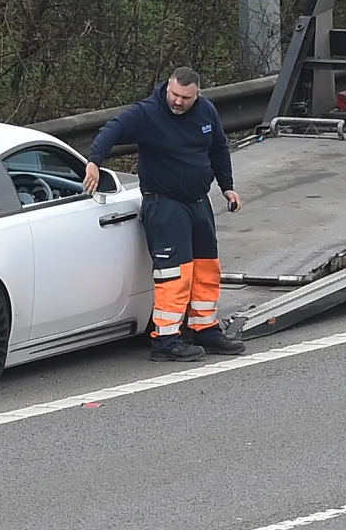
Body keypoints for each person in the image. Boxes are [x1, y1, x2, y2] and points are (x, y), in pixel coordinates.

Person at [85, 66, 246, 361]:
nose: (178, 102)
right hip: (165, 203)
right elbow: (113, 129)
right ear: (167, 88)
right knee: (175, 273)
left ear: (197, 93)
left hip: (198, 201)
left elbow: (219, 149)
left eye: (185, 97)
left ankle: (205, 329)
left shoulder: (206, 111)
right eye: (174, 94)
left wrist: (228, 187)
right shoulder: (148, 113)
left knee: (205, 268)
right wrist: (94, 160)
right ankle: (166, 339)